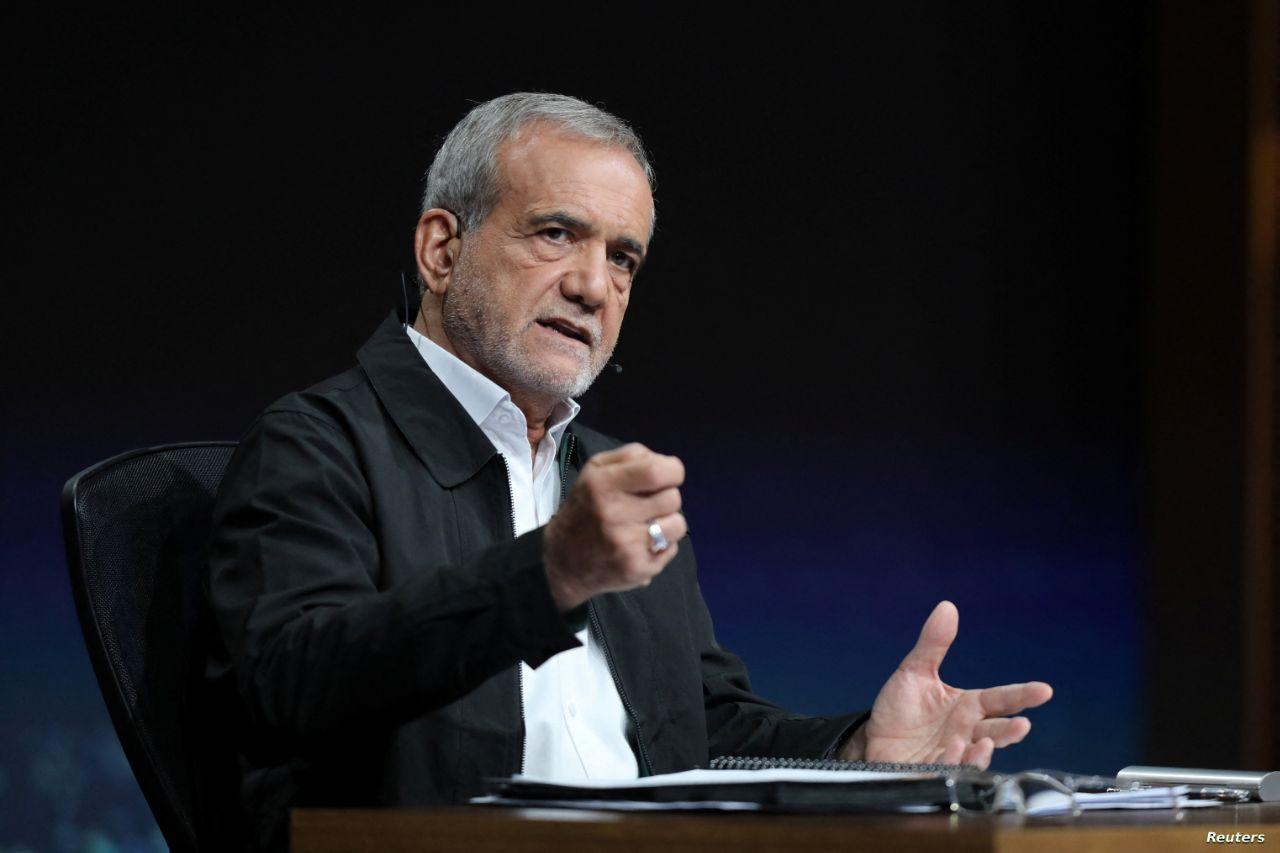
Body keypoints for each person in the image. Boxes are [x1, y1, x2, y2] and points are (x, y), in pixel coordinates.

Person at [206, 92, 1052, 850]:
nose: (593, 285)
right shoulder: (314, 444)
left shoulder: (610, 477)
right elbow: (292, 685)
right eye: (556, 234)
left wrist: (859, 750)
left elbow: (700, 731)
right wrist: (549, 574)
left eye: (623, 258)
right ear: (441, 250)